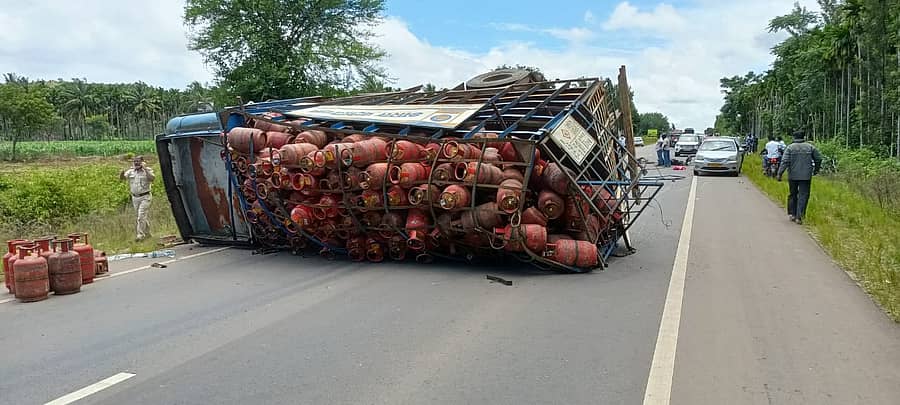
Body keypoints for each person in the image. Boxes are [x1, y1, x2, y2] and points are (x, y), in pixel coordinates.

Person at [777, 131, 822, 225]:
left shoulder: (790, 147)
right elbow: (818, 158)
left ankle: (792, 214)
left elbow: (784, 161)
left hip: (792, 175)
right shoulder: (810, 147)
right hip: (806, 176)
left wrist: (780, 174)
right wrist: (816, 170)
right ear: (804, 137)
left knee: (793, 194)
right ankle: (799, 217)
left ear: (794, 137)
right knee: (803, 195)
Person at [120, 156, 155, 241]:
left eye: (138, 161)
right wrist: (121, 174)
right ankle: (148, 234)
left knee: (141, 216)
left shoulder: (147, 170)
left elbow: (152, 178)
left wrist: (145, 168)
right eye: (135, 161)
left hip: (145, 197)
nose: (136, 163)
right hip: (135, 197)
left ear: (142, 162)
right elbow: (123, 178)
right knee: (141, 217)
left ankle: (140, 235)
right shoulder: (131, 171)